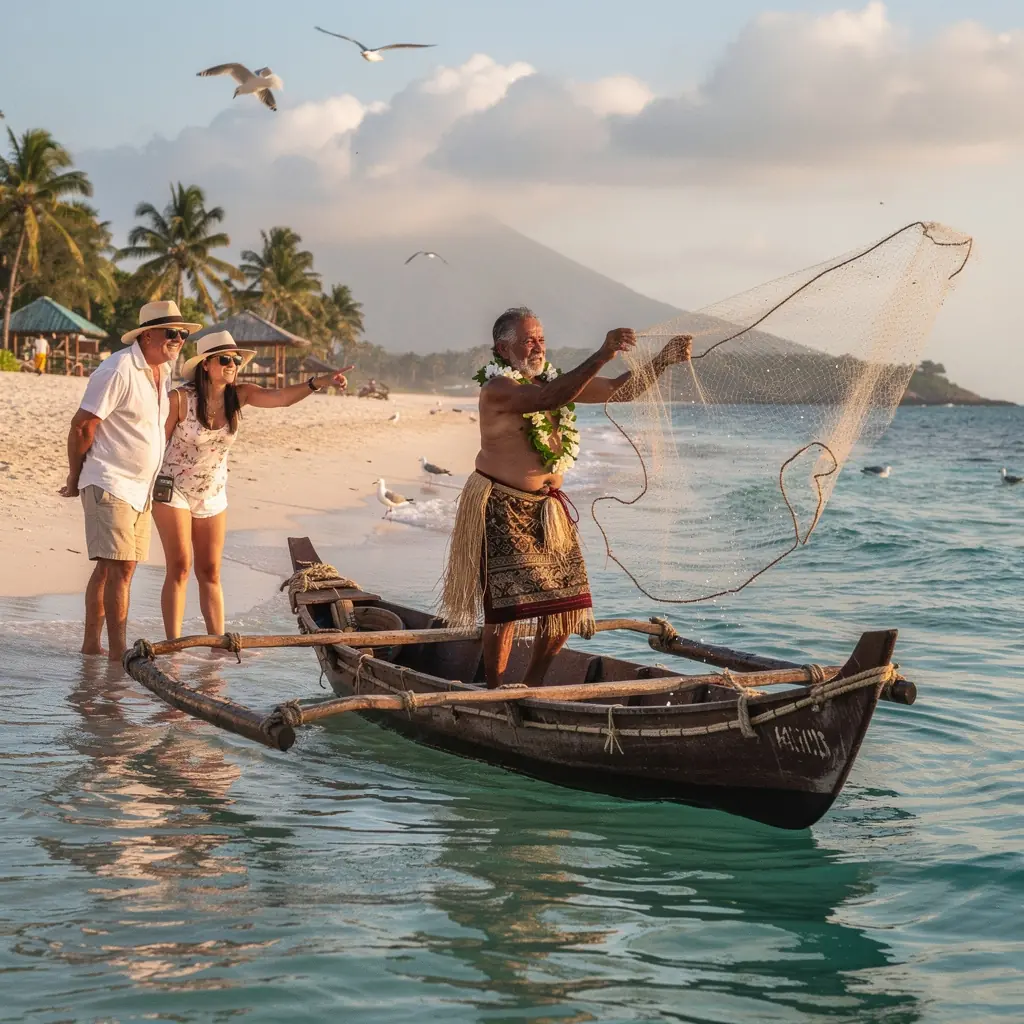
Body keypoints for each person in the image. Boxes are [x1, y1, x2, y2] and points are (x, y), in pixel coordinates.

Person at [441, 306, 692, 688]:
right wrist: (602, 354)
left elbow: (617, 391)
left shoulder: (556, 380)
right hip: (501, 507)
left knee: (567, 610)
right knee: (506, 611)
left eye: (541, 339)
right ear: (503, 349)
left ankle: (532, 687)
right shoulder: (499, 389)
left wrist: (662, 362)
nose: (538, 347)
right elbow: (549, 399)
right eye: (528, 340)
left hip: (548, 511)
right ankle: (495, 691)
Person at [153, 330, 352, 640]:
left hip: (213, 492)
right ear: (206, 365)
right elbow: (154, 445)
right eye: (225, 359)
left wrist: (318, 383)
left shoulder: (240, 395)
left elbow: (282, 398)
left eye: (236, 360)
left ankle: (218, 646)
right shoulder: (180, 399)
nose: (233, 364)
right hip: (173, 489)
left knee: (210, 572)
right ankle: (174, 645)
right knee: (180, 567)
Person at [59, 300, 201, 661]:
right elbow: (83, 424)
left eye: (182, 335)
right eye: (172, 333)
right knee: (119, 567)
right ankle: (119, 654)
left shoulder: (162, 372)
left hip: (140, 488)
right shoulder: (118, 369)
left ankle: (93, 645)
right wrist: (75, 475)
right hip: (109, 479)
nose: (178, 340)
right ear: (148, 334)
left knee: (114, 566)